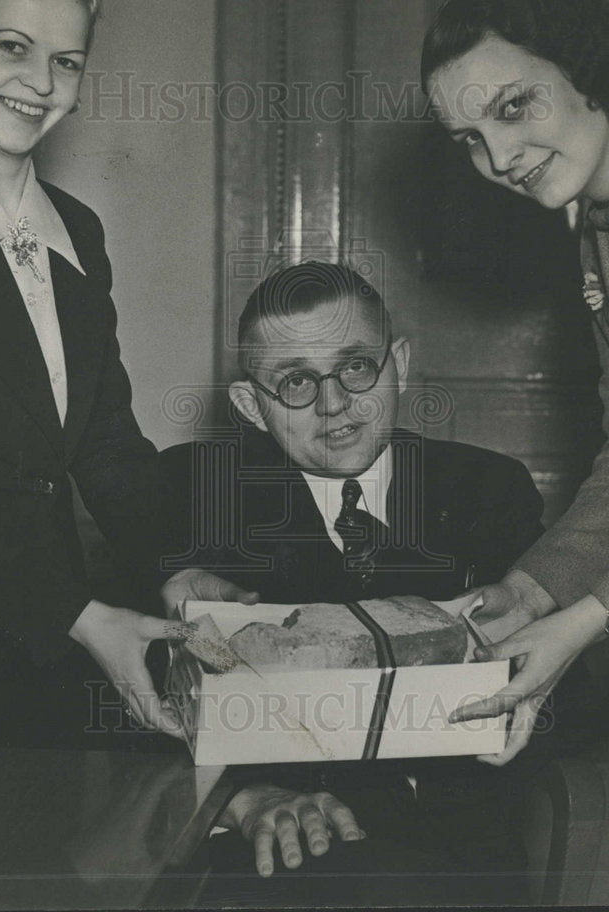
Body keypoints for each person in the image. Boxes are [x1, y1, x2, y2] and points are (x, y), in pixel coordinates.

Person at [0, 0, 253, 749]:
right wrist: (75, 614)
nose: (41, 81)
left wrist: (175, 565)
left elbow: (103, 438)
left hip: (42, 656)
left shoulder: (77, 233)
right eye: (13, 47)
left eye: (66, 60)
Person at [160, 261, 549, 904]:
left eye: (357, 368)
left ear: (399, 363)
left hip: (458, 862)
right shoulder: (189, 495)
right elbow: (128, 697)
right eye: (295, 381)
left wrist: (510, 688)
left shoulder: (487, 488)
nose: (334, 403)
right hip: (282, 859)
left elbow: (573, 696)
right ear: (250, 406)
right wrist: (240, 800)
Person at [420, 0, 609, 763]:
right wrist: (531, 590)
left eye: (513, 107)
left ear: (587, 68)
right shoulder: (605, 226)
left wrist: (585, 622)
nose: (500, 156)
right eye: (470, 138)